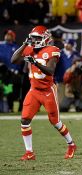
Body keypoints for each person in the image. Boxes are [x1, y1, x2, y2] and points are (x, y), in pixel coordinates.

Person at [11, 25, 77, 160]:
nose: (34, 41)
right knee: (24, 120)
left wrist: (35, 62)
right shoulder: (29, 48)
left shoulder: (53, 50)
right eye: (33, 38)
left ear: (45, 39)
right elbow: (14, 60)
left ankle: (71, 144)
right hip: (34, 90)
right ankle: (29, 152)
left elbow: (50, 71)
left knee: (55, 122)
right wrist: (24, 44)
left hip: (47, 91)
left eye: (37, 38)